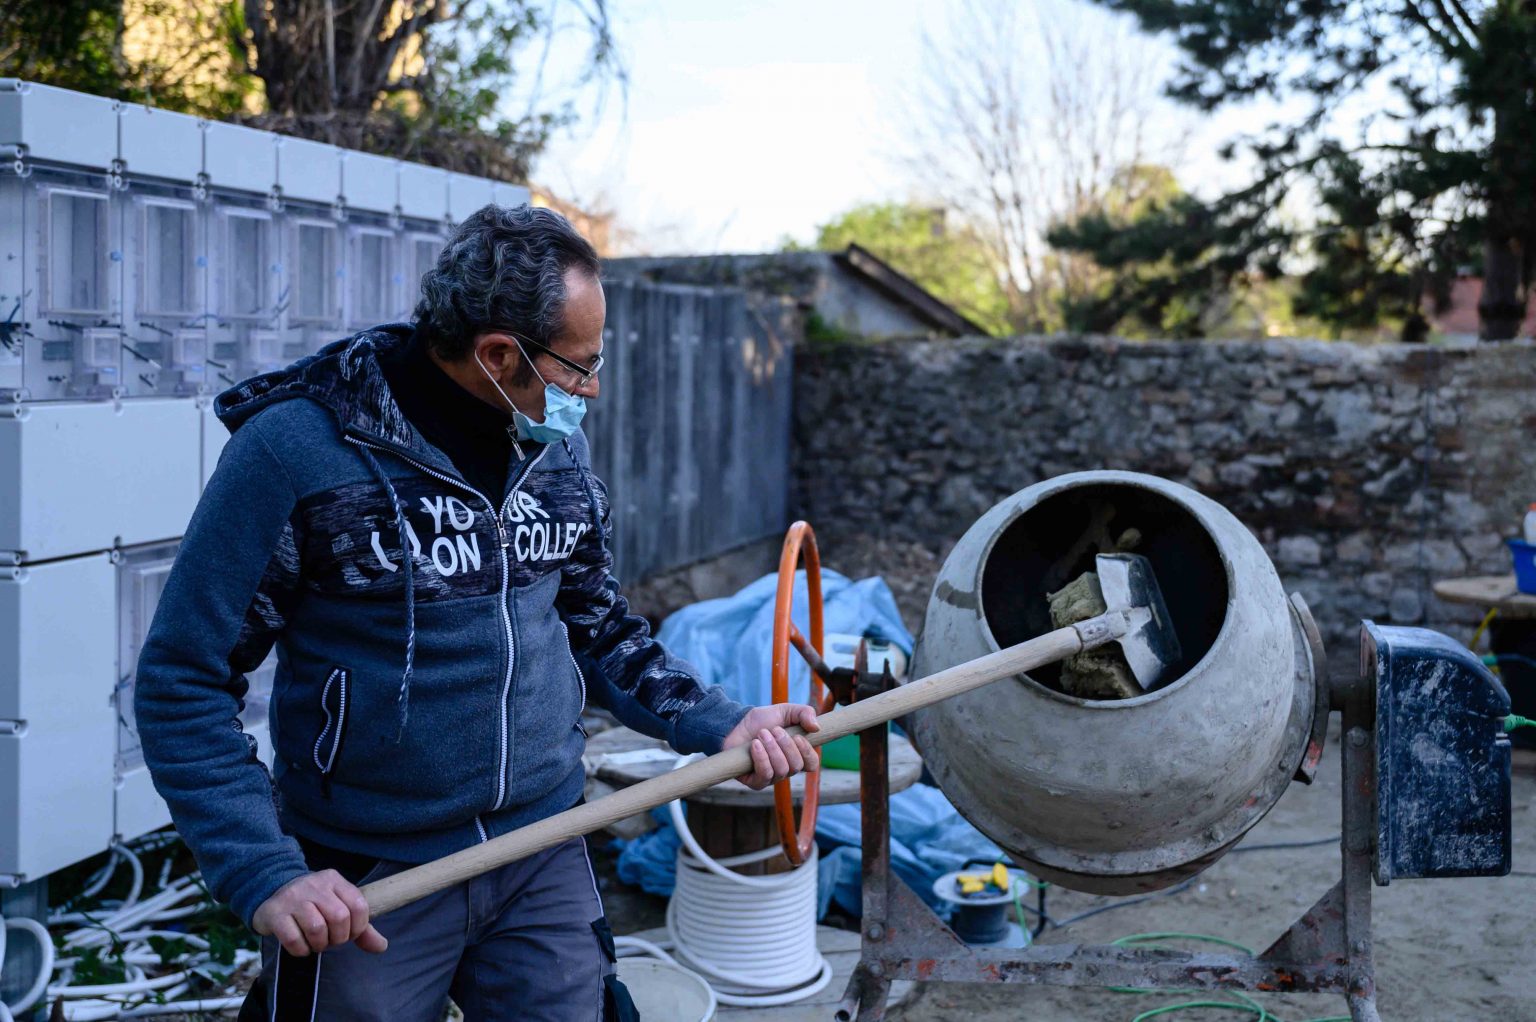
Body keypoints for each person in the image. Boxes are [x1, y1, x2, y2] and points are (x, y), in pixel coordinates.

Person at [134, 203, 821, 1021]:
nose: (591, 389)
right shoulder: (295, 454)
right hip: (368, 876)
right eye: (578, 366)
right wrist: (265, 870)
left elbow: (599, 628)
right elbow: (183, 682)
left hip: (541, 845)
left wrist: (721, 722)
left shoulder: (554, 446)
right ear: (498, 354)